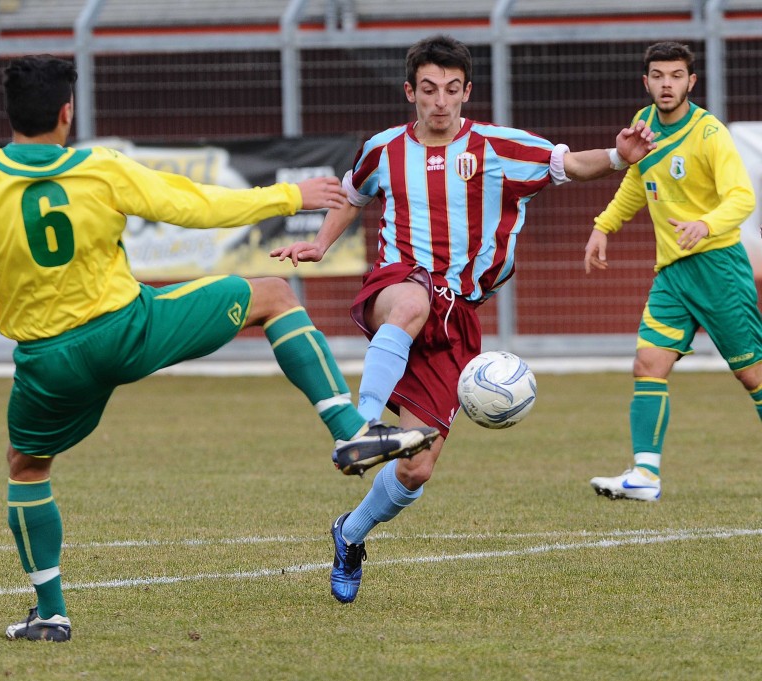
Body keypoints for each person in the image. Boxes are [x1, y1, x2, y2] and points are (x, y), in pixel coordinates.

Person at [0, 54, 438, 641]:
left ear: (11, 115)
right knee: (275, 296)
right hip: (129, 331)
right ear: (66, 113)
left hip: (49, 363)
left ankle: (50, 613)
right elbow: (194, 206)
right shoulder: (99, 168)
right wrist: (288, 195)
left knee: (27, 467)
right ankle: (348, 429)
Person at [270, 34, 657, 604]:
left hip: (456, 318)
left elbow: (570, 165)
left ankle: (350, 534)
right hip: (398, 284)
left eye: (452, 89)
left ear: (467, 92)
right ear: (410, 92)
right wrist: (321, 244)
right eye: (429, 89)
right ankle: (363, 425)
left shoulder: (498, 146)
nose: (440, 101)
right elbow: (353, 195)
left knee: (417, 470)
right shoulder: (383, 148)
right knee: (412, 300)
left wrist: (619, 156)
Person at [586, 42, 760, 502]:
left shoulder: (709, 132)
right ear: (646, 82)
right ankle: (645, 475)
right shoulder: (643, 126)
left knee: (753, 375)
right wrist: (603, 226)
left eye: (676, 76)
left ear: (691, 82)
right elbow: (636, 180)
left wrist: (706, 225)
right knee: (648, 364)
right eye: (659, 76)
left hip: (719, 268)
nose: (667, 84)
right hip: (672, 275)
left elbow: (742, 197)